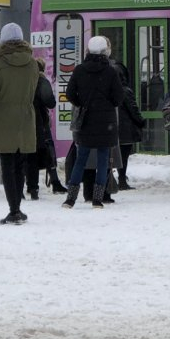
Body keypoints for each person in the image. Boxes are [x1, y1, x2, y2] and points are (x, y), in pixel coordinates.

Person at [0, 23, 42, 225]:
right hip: (26, 117)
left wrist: (2, 98)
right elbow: (33, 90)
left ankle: (14, 209)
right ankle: (18, 207)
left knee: (7, 165)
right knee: (20, 164)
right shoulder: (33, 64)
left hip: (4, 119)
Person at [64, 35, 124, 209]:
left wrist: (81, 103)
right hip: (106, 122)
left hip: (86, 121)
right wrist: (107, 105)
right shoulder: (111, 71)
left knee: (81, 159)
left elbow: (69, 94)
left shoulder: (79, 70)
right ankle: (98, 198)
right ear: (105, 51)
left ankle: (71, 198)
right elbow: (119, 97)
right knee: (103, 159)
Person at [105, 43, 145, 191]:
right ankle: (122, 180)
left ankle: (112, 179)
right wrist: (141, 122)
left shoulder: (109, 90)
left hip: (113, 128)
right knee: (123, 157)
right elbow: (133, 109)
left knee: (111, 157)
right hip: (126, 130)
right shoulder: (125, 91)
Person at [29, 58, 67, 199]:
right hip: (41, 122)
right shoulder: (41, 81)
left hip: (25, 121)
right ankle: (55, 181)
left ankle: (31, 185)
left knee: (29, 154)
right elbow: (50, 102)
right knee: (48, 150)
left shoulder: (24, 81)